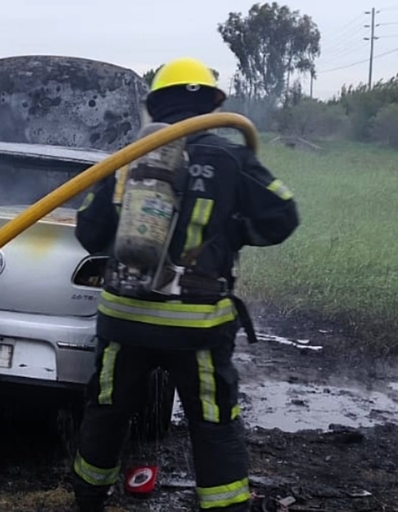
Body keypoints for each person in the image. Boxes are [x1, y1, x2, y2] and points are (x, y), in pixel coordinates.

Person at [70, 57, 300, 512]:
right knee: (213, 419)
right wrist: (231, 230)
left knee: (107, 409)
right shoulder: (232, 157)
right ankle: (225, 505)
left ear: (156, 104)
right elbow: (282, 216)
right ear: (214, 103)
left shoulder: (128, 158)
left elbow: (89, 232)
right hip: (196, 325)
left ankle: (88, 498)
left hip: (125, 320)